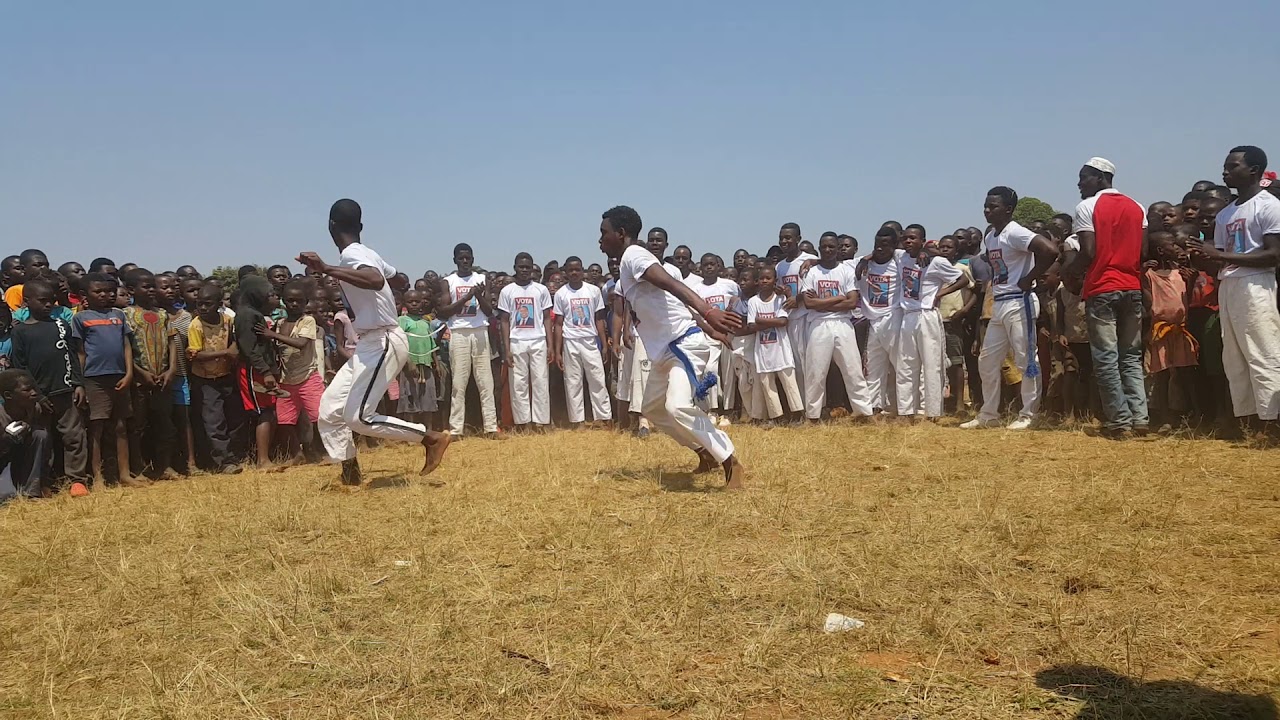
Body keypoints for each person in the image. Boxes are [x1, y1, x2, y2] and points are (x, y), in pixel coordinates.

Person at [297, 199, 451, 487]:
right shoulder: (367, 252)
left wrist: (325, 267)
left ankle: (430, 438)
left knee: (358, 417)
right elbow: (398, 279)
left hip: (383, 340)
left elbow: (374, 279)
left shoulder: (352, 256)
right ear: (361, 227)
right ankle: (350, 470)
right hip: (371, 342)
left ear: (330, 227)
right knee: (329, 410)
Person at [598, 205, 744, 488]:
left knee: (677, 407)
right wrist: (708, 325)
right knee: (652, 409)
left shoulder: (635, 255)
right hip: (665, 350)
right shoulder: (629, 264)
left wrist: (708, 310)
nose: (600, 240)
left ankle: (729, 460)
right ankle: (705, 451)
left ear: (621, 233)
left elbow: (670, 285)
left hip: (683, 345)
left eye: (604, 233)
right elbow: (671, 305)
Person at [1188, 145, 1280, 431]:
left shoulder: (1269, 206)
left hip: (1256, 285)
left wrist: (1219, 256)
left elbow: (1273, 255)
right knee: (1235, 356)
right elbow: (1218, 258)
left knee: (1263, 351)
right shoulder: (1226, 213)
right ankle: (1249, 421)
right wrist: (1200, 256)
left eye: (1233, 166)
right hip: (1229, 285)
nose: (1225, 171)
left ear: (1253, 170)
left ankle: (1272, 422)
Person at [1062, 158, 1150, 437]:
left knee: (1106, 357)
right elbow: (1142, 251)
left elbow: (1088, 251)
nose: (1079, 184)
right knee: (1131, 356)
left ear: (1101, 178)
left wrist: (1069, 273)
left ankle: (1119, 422)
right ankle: (1140, 419)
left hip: (1103, 287)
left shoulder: (1087, 207)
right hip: (1132, 286)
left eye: (1084, 177)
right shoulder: (1137, 207)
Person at [961, 187, 1057, 430]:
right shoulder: (991, 236)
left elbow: (1050, 251)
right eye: (985, 206)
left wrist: (1030, 278)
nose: (987, 211)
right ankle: (989, 414)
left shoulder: (1016, 232)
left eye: (992, 207)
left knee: (1026, 360)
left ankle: (1029, 415)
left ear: (1008, 209)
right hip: (1000, 302)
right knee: (987, 360)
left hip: (1019, 301)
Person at [11, 277, 89, 496]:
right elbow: (20, 367)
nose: (48, 305)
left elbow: (72, 356)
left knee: (74, 436)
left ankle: (77, 480)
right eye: (42, 300)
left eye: (51, 301)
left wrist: (78, 384)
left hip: (65, 390)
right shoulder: (20, 332)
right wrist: (36, 395)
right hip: (38, 396)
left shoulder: (61, 325)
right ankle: (44, 481)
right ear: (26, 302)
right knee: (43, 439)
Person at [72, 272, 140, 489]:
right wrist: (80, 382)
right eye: (98, 291)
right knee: (96, 428)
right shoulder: (80, 319)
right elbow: (80, 353)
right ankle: (98, 477)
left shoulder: (119, 315)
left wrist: (129, 373)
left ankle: (124, 474)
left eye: (109, 291)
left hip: (119, 377)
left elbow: (126, 346)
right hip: (94, 379)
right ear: (85, 295)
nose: (105, 295)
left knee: (121, 426)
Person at [896, 225, 970, 420]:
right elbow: (880, 248)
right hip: (908, 315)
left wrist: (940, 293)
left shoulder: (936, 261)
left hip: (928, 315)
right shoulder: (901, 257)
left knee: (932, 364)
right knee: (906, 365)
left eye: (913, 238)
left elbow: (962, 279)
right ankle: (907, 410)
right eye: (906, 238)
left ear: (923, 240)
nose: (908, 241)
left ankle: (933, 411)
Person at [799, 233, 872, 421]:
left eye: (832, 246)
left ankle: (864, 412)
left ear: (837, 248)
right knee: (816, 372)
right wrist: (838, 298)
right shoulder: (812, 273)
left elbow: (851, 302)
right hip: (818, 325)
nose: (828, 250)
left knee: (853, 369)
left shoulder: (846, 271)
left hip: (843, 323)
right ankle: (813, 416)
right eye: (824, 246)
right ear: (820, 248)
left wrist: (822, 302)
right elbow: (809, 304)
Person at [255, 280, 323, 464]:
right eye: (290, 300)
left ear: (305, 302)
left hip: (308, 376)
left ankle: (317, 450)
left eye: (299, 301)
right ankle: (296, 454)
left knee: (320, 417)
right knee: (285, 421)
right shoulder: (280, 323)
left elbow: (301, 344)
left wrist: (272, 335)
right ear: (284, 301)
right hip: (286, 379)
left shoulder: (307, 320)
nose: (294, 304)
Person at [438, 243, 498, 438]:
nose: (465, 261)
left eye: (468, 258)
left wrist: (479, 296)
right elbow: (444, 312)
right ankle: (456, 430)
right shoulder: (448, 281)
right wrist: (467, 297)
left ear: (473, 259)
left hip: (480, 331)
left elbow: (489, 311)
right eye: (461, 258)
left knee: (485, 382)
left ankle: (490, 427)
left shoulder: (482, 279)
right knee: (459, 383)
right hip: (459, 333)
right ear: (455, 260)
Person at [123, 268, 178, 478]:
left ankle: (165, 466)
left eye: (153, 286)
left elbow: (172, 341)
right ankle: (138, 467)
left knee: (165, 424)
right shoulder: (126, 315)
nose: (152, 290)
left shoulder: (162, 314)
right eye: (146, 287)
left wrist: (171, 369)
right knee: (137, 426)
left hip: (162, 379)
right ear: (131, 289)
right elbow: (124, 347)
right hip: (139, 381)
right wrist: (139, 373)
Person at [1142, 230, 1198, 431]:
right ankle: (1165, 417)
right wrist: (1141, 276)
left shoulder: (1181, 273)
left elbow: (1186, 301)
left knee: (1185, 373)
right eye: (1173, 245)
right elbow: (1148, 303)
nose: (1177, 248)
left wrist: (1190, 281)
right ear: (1161, 251)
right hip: (1160, 331)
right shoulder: (1150, 275)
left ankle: (1189, 414)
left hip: (1181, 330)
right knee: (1162, 375)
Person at [187, 283, 242, 474]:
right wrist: (226, 352)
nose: (202, 308)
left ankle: (234, 455)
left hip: (226, 375)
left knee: (233, 417)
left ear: (219, 304)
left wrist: (233, 347)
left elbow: (236, 340)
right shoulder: (196, 325)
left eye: (207, 304)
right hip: (205, 380)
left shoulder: (227, 321)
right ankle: (223, 461)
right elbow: (195, 355)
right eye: (199, 304)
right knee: (214, 421)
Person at [552, 256, 612, 428]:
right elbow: (558, 323)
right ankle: (577, 421)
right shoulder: (561, 293)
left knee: (597, 379)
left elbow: (599, 318)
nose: (574, 273)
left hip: (590, 340)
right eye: (570, 270)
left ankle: (603, 417)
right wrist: (558, 351)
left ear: (582, 270)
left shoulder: (593, 291)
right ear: (566, 272)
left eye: (577, 269)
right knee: (573, 382)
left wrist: (603, 345)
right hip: (570, 341)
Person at [498, 252, 553, 432]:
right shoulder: (507, 291)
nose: (524, 270)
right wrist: (507, 348)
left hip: (538, 340)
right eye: (521, 267)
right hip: (516, 341)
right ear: (514, 268)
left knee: (540, 381)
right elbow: (504, 321)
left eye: (527, 267)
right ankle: (523, 423)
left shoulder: (541, 290)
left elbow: (546, 318)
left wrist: (550, 344)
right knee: (518, 384)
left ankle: (541, 422)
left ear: (532, 268)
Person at [855, 226, 906, 415]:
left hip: (893, 319)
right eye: (877, 244)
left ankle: (904, 408)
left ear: (894, 245)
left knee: (900, 366)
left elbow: (922, 252)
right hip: (873, 321)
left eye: (885, 244)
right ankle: (874, 407)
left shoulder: (900, 260)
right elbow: (834, 262)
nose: (880, 248)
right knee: (874, 367)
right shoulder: (862, 264)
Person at [234, 275, 280, 468]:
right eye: (268, 294)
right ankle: (262, 460)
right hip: (254, 370)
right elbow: (249, 348)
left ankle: (267, 456)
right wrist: (266, 372)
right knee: (264, 412)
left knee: (269, 411)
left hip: (263, 368)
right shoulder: (246, 315)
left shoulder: (255, 313)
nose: (273, 298)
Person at [689, 253, 741, 422]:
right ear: (701, 268)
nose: (709, 267)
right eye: (705, 265)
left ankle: (728, 410)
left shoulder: (729, 285)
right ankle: (713, 409)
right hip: (708, 334)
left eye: (712, 264)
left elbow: (738, 301)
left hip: (727, 334)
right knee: (710, 369)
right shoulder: (696, 289)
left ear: (719, 266)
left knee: (728, 373)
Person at [747, 267, 802, 426]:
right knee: (767, 385)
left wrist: (761, 321)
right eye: (762, 278)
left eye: (768, 278)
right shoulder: (753, 301)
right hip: (763, 351)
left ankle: (797, 414)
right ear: (757, 281)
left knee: (789, 383)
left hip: (781, 350)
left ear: (775, 281)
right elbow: (751, 327)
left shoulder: (779, 300)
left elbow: (783, 322)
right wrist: (772, 322)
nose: (765, 281)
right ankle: (777, 417)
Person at [775, 223, 817, 402]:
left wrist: (798, 299)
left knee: (810, 363)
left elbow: (814, 287)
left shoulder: (810, 260)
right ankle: (801, 406)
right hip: (789, 320)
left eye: (788, 237)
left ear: (798, 239)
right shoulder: (780, 266)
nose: (784, 241)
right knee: (795, 364)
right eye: (781, 238)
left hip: (806, 317)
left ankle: (815, 406)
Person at [937, 235, 978, 413]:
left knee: (955, 363)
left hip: (953, 321)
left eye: (949, 247)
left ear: (956, 251)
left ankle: (960, 404)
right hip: (935, 321)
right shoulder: (935, 268)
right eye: (942, 247)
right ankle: (944, 401)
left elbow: (975, 291)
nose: (945, 250)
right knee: (937, 364)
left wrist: (964, 311)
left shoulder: (962, 268)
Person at [0, 370, 52, 502]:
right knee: (6, 497)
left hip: (19, 462)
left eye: (34, 388)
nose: (34, 393)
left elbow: (43, 453)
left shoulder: (34, 409)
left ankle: (31, 491)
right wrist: (6, 440)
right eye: (27, 390)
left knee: (40, 434)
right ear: (8, 395)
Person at [397, 289, 443, 430]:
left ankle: (428, 430)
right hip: (409, 366)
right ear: (405, 304)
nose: (414, 304)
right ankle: (410, 431)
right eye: (411, 302)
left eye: (417, 301)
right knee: (410, 398)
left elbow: (431, 343)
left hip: (426, 365)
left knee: (428, 398)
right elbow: (399, 343)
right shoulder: (402, 321)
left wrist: (436, 362)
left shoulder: (424, 322)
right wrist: (408, 363)